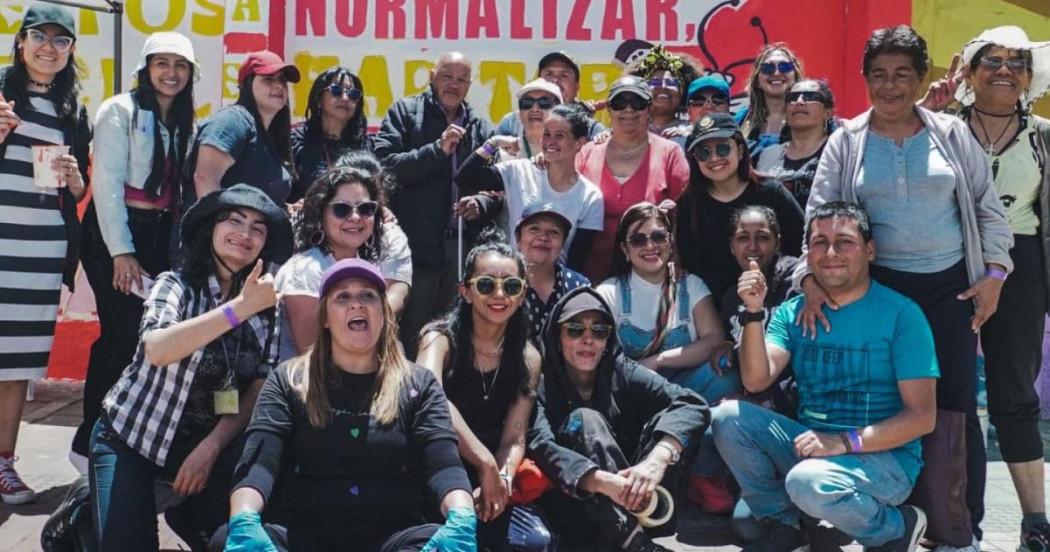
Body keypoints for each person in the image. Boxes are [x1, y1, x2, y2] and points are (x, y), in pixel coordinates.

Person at [802, 26, 1015, 551]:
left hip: (951, 293)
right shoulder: (845, 142)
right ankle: (892, 521)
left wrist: (993, 275)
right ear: (865, 80)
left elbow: (989, 212)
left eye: (902, 75)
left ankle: (959, 529)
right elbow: (818, 217)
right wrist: (808, 279)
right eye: (879, 75)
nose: (890, 86)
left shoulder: (953, 134)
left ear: (923, 79)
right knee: (885, 409)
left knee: (955, 409)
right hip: (876, 295)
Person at [713, 201, 937, 552]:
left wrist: (843, 443)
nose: (830, 253)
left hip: (884, 459)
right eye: (819, 242)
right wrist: (753, 312)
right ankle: (786, 526)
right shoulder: (792, 312)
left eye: (844, 241)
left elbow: (922, 417)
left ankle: (895, 528)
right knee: (727, 418)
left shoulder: (902, 315)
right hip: (812, 446)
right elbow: (756, 381)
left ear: (870, 250)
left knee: (808, 482)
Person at [215, 258, 477, 552]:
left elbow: (443, 466)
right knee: (226, 540)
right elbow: (260, 464)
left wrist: (462, 516)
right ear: (325, 317)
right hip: (303, 534)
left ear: (384, 313)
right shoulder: (286, 380)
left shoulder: (420, 384)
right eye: (342, 297)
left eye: (368, 295)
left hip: (392, 535)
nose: (357, 304)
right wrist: (245, 519)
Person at [89, 184, 292, 551]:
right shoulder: (176, 285)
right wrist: (238, 310)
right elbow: (157, 348)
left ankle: (182, 512)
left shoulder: (267, 304)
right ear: (210, 228)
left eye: (258, 228)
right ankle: (84, 517)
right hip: (132, 440)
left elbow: (260, 383)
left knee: (236, 541)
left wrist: (211, 447)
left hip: (205, 453)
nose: (245, 234)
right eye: (234, 220)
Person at [921, 25, 1050, 550]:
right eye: (991, 60)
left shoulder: (1043, 135)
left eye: (1016, 61)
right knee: (940, 392)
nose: (1004, 69)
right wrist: (923, 112)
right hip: (949, 259)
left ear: (1028, 76)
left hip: (1020, 264)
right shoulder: (939, 125)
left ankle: (1036, 522)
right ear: (970, 73)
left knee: (1013, 396)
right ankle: (942, 514)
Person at [72, 31, 199, 472]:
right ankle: (89, 439)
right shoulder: (118, 111)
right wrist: (121, 253)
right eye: (162, 63)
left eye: (180, 65)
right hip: (116, 232)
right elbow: (105, 186)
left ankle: (132, 439)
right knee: (122, 334)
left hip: (160, 235)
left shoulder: (185, 119)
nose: (171, 73)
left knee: (152, 337)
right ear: (145, 69)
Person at [527, 287, 708, 551]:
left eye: (599, 331)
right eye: (576, 330)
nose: (588, 339)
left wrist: (657, 460)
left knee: (668, 424)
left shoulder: (622, 370)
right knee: (585, 420)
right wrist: (602, 481)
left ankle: (632, 534)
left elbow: (692, 404)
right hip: (574, 508)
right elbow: (541, 445)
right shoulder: (540, 383)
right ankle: (633, 542)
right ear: (558, 337)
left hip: (637, 500)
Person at [0, 3, 91, 505]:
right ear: (20, 41)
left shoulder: (72, 110)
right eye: (40, 36)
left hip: (41, 250)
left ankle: (4, 464)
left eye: (61, 40)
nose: (49, 48)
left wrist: (77, 181)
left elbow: (66, 193)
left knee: (17, 365)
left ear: (71, 50)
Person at [417, 234, 551, 551]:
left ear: (522, 294)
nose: (500, 294)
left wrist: (502, 478)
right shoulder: (438, 340)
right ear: (465, 291)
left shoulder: (528, 356)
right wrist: (484, 463)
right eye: (487, 285)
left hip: (492, 471)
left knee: (534, 543)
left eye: (512, 286)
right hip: (437, 465)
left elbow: (515, 435)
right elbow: (430, 398)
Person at [373, 51, 497, 358]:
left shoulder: (480, 127)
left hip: (462, 254)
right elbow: (385, 168)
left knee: (454, 337)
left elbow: (497, 187)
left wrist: (480, 202)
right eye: (446, 77)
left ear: (470, 84)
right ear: (431, 77)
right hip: (417, 252)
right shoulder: (405, 112)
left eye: (461, 79)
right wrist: (437, 150)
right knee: (410, 335)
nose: (453, 85)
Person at [596, 202, 737, 402]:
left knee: (724, 374)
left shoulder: (692, 285)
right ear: (624, 250)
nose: (650, 246)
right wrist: (639, 374)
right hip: (635, 393)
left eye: (658, 237)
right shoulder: (609, 293)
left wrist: (658, 361)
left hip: (687, 387)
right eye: (638, 240)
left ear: (670, 242)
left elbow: (714, 339)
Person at [275, 162, 412, 359]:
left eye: (366, 209)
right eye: (341, 209)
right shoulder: (304, 270)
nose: (355, 217)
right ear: (320, 214)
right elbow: (311, 356)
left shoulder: (364, 265)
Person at [675, 113, 804, 306]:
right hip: (714, 310)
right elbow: (688, 265)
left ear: (741, 151)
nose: (714, 158)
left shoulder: (771, 191)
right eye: (704, 152)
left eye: (723, 148)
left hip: (775, 305)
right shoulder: (689, 204)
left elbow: (802, 245)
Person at [457, 104, 603, 270]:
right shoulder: (519, 171)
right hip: (513, 278)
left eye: (560, 135)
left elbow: (578, 258)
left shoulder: (591, 196)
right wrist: (493, 143)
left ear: (580, 143)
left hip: (556, 284)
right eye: (546, 134)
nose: (551, 142)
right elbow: (464, 177)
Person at [576, 75, 690, 282]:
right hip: (590, 272)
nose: (628, 110)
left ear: (648, 109)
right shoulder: (587, 153)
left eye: (637, 103)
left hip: (650, 272)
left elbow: (685, 213)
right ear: (610, 110)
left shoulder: (670, 152)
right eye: (620, 103)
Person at [187, 50, 300, 208]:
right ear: (247, 84)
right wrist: (218, 226)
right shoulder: (232, 121)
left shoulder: (270, 136)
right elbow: (205, 179)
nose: (278, 85)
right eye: (268, 79)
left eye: (282, 79)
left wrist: (285, 208)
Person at [290, 67, 370, 200]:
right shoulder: (297, 142)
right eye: (336, 91)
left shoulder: (366, 146)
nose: (345, 98)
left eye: (353, 94)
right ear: (319, 99)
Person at [515, 203, 590, 344]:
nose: (543, 237)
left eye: (554, 232)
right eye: (534, 229)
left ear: (562, 244)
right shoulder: (502, 284)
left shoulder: (579, 286)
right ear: (518, 239)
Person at [756, 80, 836, 208]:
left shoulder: (840, 152)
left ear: (828, 112)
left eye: (810, 96)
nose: (799, 101)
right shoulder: (768, 154)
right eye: (792, 98)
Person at [496, 51, 605, 140]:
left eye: (564, 75)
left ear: (576, 88)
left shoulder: (591, 128)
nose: (555, 80)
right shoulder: (511, 122)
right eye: (549, 74)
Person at [735, 43, 804, 163]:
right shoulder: (742, 119)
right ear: (757, 81)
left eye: (785, 67)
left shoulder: (808, 115)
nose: (776, 73)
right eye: (768, 68)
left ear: (795, 76)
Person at [633, 45, 698, 146]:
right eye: (655, 82)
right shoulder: (628, 130)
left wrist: (692, 134)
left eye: (671, 82)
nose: (663, 87)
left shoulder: (693, 132)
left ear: (682, 92)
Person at [496, 78, 562, 160]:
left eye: (544, 103)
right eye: (527, 103)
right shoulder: (507, 151)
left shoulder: (571, 149)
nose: (535, 109)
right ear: (519, 114)